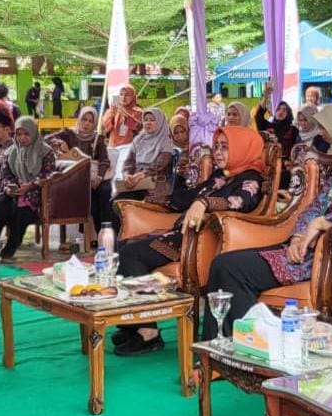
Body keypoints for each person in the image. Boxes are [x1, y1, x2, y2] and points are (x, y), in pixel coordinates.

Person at [203, 101, 332, 340]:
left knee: (230, 269)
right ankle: (221, 347)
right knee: (222, 264)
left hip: (329, 257)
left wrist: (321, 223)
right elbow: (316, 204)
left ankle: (253, 344)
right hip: (306, 248)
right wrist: (298, 236)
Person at [113, 126, 266, 355]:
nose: (218, 152)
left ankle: (148, 332)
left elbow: (239, 202)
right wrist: (165, 194)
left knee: (132, 253)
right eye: (216, 146)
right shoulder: (222, 176)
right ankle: (133, 324)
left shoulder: (251, 179)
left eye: (225, 147)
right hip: (183, 234)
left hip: (197, 242)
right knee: (125, 246)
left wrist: (205, 203)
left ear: (243, 149)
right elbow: (188, 196)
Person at [0, 116, 57, 261]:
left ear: (33, 133)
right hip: (14, 192)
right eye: (19, 134)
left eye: (26, 134)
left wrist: (30, 185)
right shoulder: (11, 152)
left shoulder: (45, 151)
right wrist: (9, 188)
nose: (22, 138)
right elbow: (5, 175)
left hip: (36, 193)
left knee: (22, 211)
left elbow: (48, 175)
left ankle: (10, 249)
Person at [46, 105, 111, 232]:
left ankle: (105, 232)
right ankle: (93, 235)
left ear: (94, 124)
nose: (86, 123)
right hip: (76, 177)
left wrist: (99, 177)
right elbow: (47, 139)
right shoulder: (69, 134)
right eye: (84, 119)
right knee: (91, 201)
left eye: (90, 121)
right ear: (79, 119)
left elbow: (104, 160)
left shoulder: (97, 139)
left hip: (94, 176)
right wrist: (60, 143)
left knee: (105, 192)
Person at [110, 107, 174, 234]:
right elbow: (129, 162)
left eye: (152, 120)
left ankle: (129, 239)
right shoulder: (138, 140)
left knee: (128, 204)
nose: (148, 123)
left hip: (155, 184)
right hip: (136, 183)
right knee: (114, 203)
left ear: (160, 122)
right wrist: (127, 175)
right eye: (146, 120)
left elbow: (161, 164)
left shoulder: (165, 141)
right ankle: (116, 240)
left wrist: (141, 175)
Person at [255, 85, 299, 161]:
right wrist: (265, 97)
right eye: (278, 109)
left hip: (286, 164)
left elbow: (296, 150)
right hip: (268, 163)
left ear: (289, 114)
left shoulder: (293, 130)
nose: (280, 111)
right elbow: (259, 116)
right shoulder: (268, 126)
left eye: (284, 110)